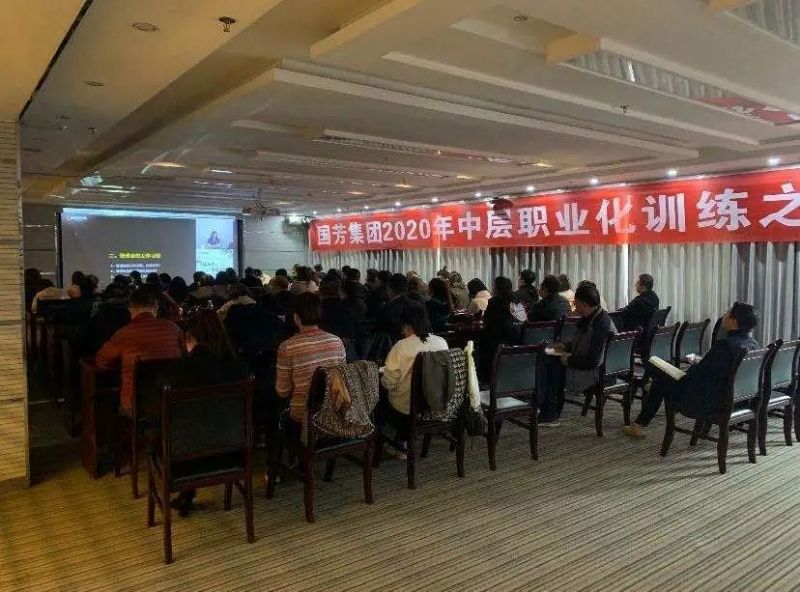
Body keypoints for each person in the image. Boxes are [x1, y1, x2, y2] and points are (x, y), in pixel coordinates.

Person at [149, 310, 248, 517]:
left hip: (182, 459)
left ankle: (185, 493)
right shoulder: (239, 369)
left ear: (189, 339)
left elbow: (157, 415)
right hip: (231, 453)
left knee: (171, 432)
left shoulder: (174, 373)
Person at [624, 302, 760, 439]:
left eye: (728, 313)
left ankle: (639, 423)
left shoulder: (725, 346)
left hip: (706, 401)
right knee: (662, 379)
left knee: (659, 379)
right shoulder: (753, 344)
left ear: (734, 321)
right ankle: (639, 421)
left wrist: (691, 368)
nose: (724, 315)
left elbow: (696, 376)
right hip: (733, 399)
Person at [95, 286, 185, 414]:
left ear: (130, 309)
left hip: (136, 406)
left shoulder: (124, 334)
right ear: (155, 308)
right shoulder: (174, 329)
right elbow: (185, 357)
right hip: (172, 402)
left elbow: (102, 361)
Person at [276, 292, 346, 430]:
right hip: (335, 413)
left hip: (304, 419)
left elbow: (282, 391)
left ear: (296, 317)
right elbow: (342, 378)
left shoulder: (287, 347)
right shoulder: (337, 341)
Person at [547, 284, 616, 424]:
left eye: (575, 304)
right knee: (550, 359)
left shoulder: (599, 325)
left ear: (584, 305)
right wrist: (565, 346)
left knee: (551, 366)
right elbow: (584, 343)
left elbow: (592, 361)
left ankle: (550, 413)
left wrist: (568, 360)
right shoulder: (598, 317)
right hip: (603, 368)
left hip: (595, 373)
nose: (574, 307)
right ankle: (549, 409)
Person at [381, 301, 448, 425]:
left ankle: (396, 432)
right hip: (436, 403)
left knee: (382, 393)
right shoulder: (442, 342)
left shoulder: (401, 346)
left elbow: (389, 382)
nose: (402, 332)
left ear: (407, 325)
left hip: (407, 408)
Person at [479, 276, 524, 382]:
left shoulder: (494, 302)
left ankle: (485, 379)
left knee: (481, 342)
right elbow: (522, 321)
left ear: (497, 288)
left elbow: (487, 324)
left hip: (497, 343)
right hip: (517, 341)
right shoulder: (517, 301)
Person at [375, 273, 420, 341]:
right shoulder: (418, 306)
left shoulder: (386, 309)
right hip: (416, 344)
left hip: (395, 346)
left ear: (389, 289)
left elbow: (382, 335)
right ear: (406, 288)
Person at [318, 276, 357, 341]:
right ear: (339, 290)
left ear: (320, 290)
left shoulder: (316, 308)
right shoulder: (348, 307)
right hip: (344, 342)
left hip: (322, 342)